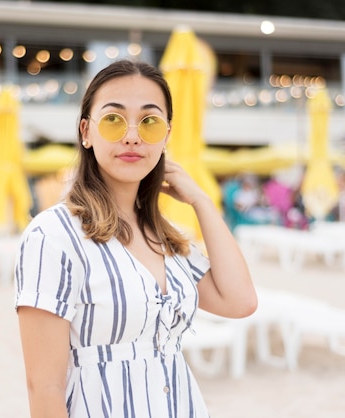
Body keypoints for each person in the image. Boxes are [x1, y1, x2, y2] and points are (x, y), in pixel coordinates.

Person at [14, 60, 257, 417]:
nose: (132, 135)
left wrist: (201, 200)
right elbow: (43, 387)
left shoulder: (165, 238)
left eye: (149, 122)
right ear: (86, 131)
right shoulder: (53, 236)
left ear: (166, 135)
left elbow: (239, 301)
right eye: (113, 120)